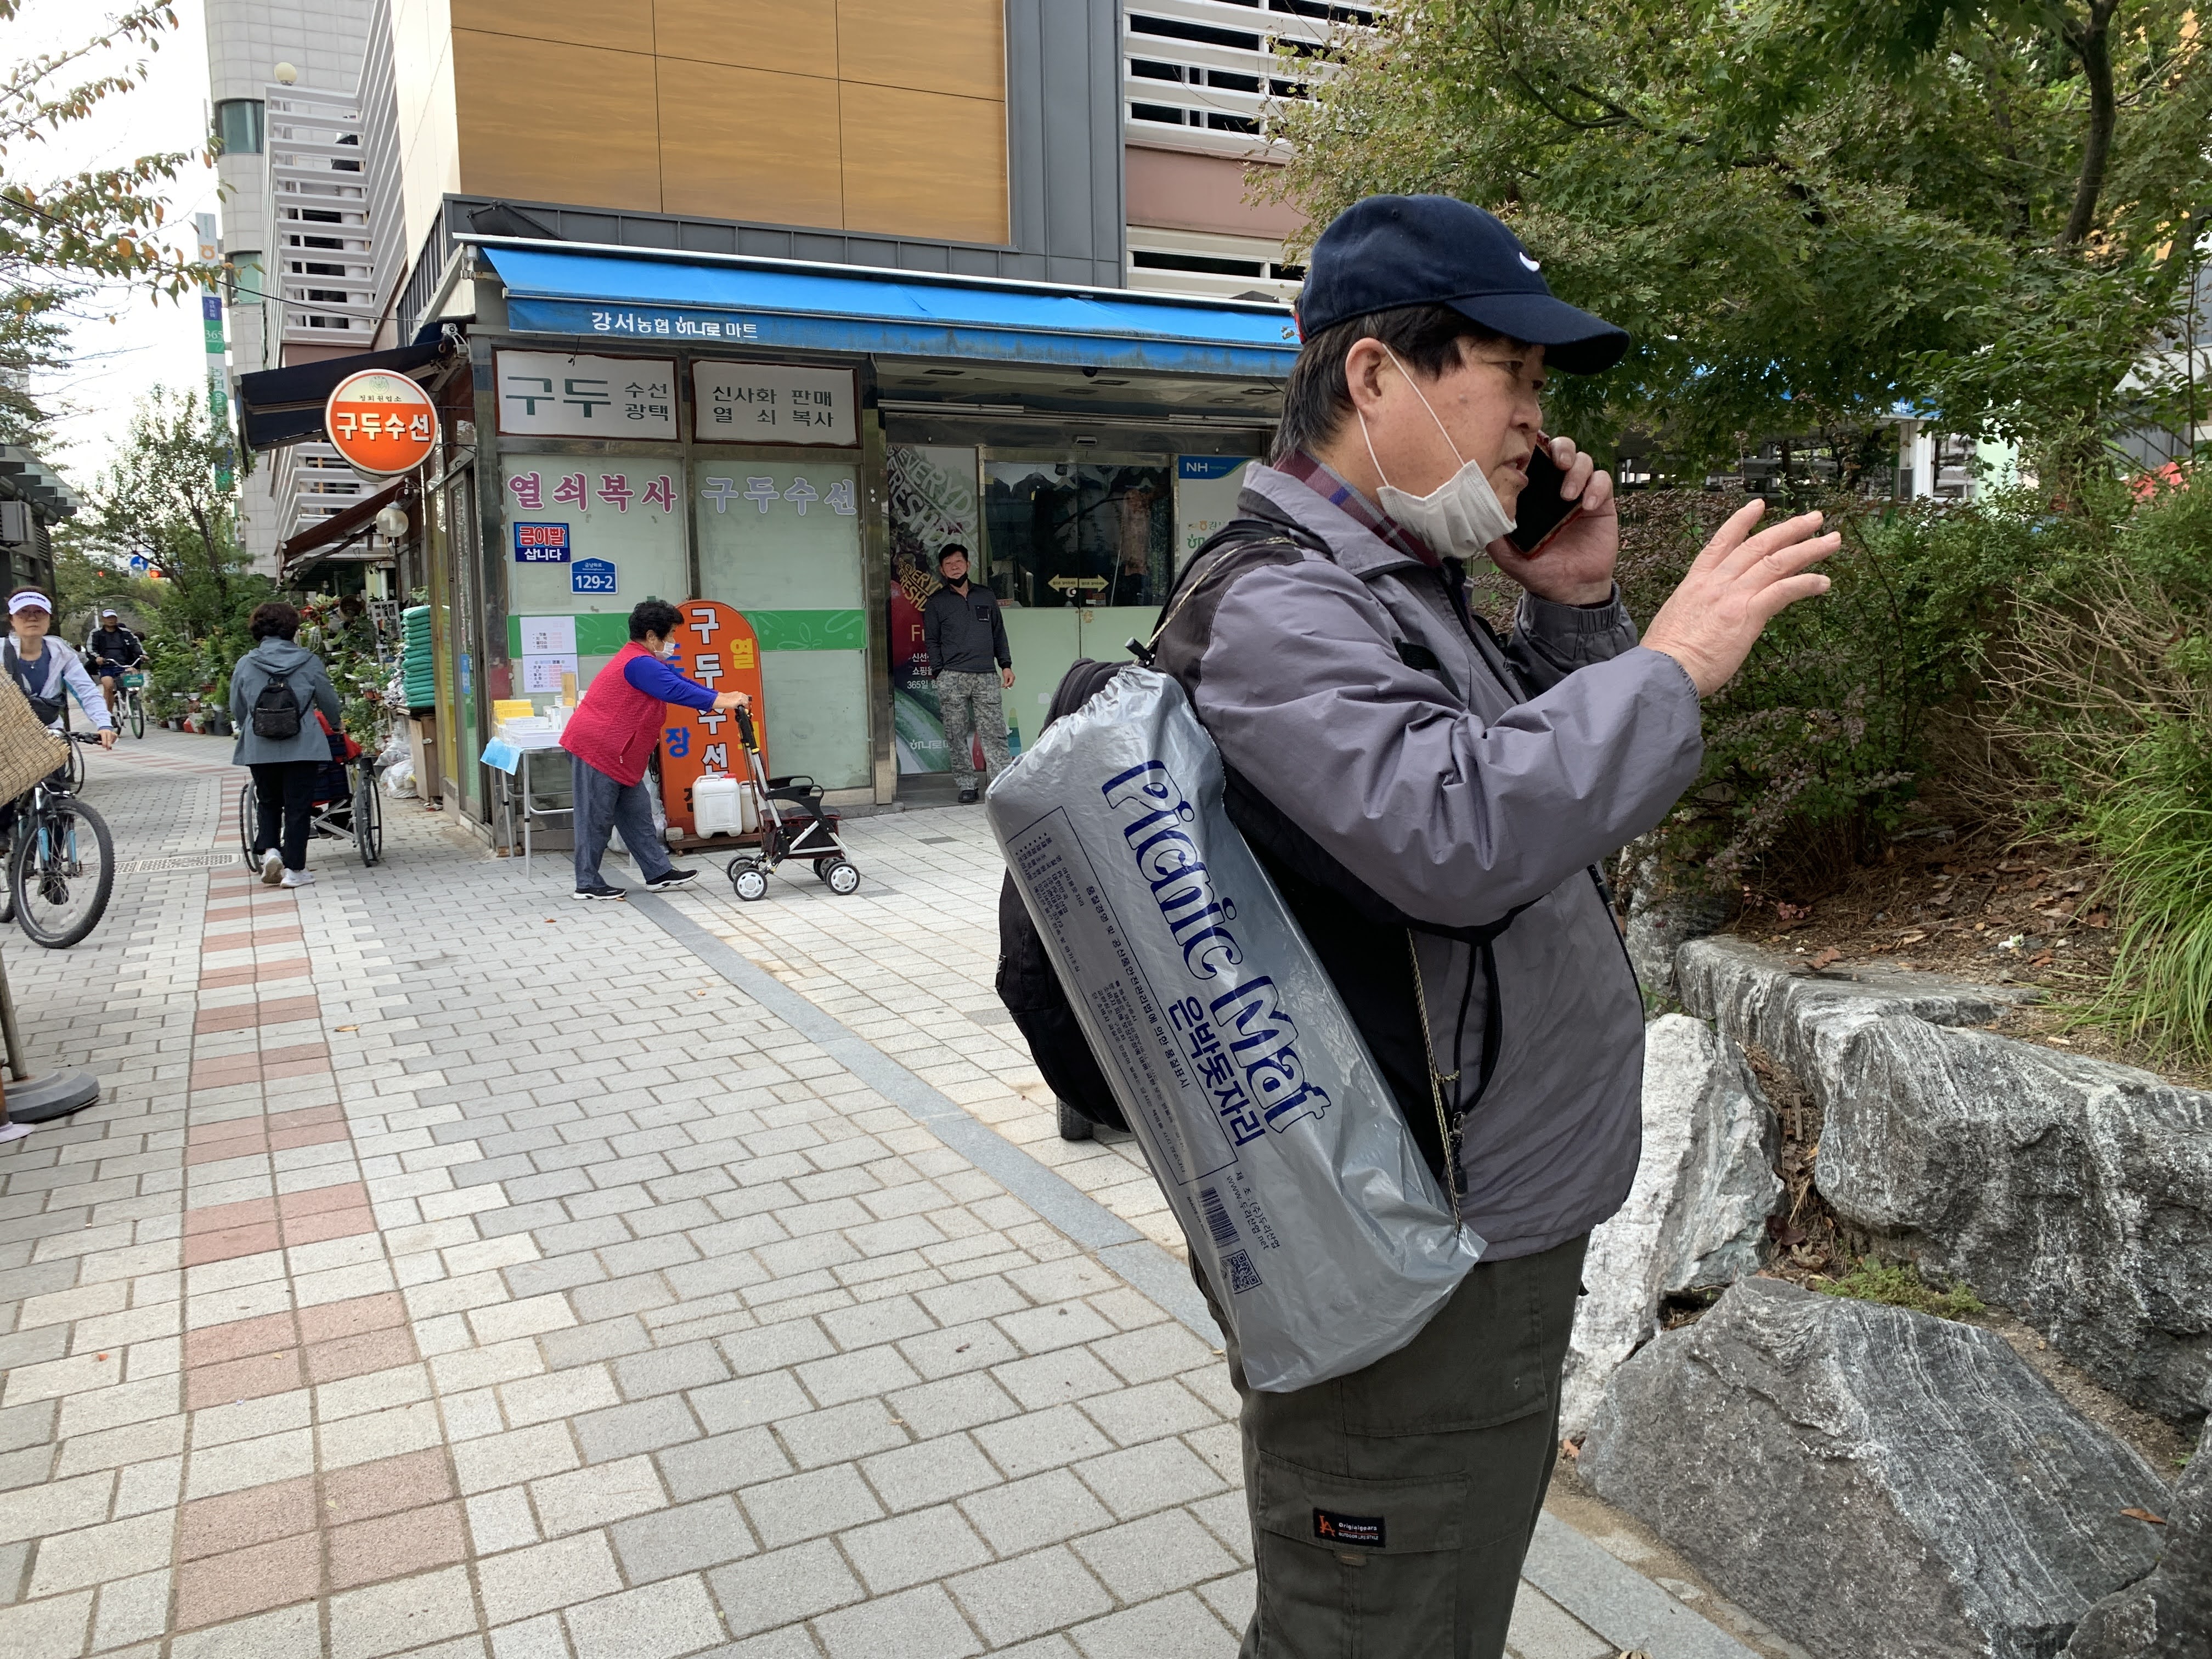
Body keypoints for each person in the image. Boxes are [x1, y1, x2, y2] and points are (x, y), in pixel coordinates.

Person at [1145, 195, 1836, 1659]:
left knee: (1431, 1611)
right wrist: (1671, 663)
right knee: (1377, 1629)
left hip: (1475, 1235)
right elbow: (1457, 833)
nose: (1536, 417)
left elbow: (1537, 811)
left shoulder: (1397, 586)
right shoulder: (1279, 609)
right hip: (1410, 1273)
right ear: (1375, 378)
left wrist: (1575, 612)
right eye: (1508, 372)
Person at [560, 598, 748, 901]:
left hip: (622, 755)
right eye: (670, 634)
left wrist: (723, 696)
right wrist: (722, 702)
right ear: (651, 636)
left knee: (637, 815)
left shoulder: (645, 661)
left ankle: (658, 873)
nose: (673, 641)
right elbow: (676, 691)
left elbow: (679, 681)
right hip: (598, 750)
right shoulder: (638, 663)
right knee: (595, 818)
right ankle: (587, 883)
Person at [229, 601, 345, 889]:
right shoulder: (309, 661)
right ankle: (295, 871)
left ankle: (270, 851)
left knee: (268, 800)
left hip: (260, 745)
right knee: (298, 806)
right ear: (292, 628)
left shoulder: (245, 663)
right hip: (303, 744)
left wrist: (250, 727)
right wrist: (335, 724)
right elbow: (328, 699)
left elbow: (237, 706)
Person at [921, 544, 1014, 803]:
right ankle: (966, 785)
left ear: (968, 565)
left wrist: (1005, 664)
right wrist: (939, 672)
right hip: (952, 677)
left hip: (986, 675)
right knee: (956, 733)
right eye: (948, 564)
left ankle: (999, 785)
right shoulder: (936, 602)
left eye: (958, 562)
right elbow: (932, 641)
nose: (954, 567)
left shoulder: (986, 596)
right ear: (942, 570)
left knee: (994, 732)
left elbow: (998, 632)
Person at [4, 590, 114, 753]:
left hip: (49, 737)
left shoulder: (62, 653)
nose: (32, 618)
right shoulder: (2, 651)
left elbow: (86, 690)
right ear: (12, 620)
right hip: (6, 738)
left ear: (49, 618)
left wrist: (104, 725)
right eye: (23, 612)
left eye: (39, 612)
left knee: (57, 767)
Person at [84, 607, 146, 719]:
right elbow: (90, 649)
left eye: (113, 617)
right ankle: (108, 716)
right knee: (108, 686)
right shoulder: (96, 633)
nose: (111, 620)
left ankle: (133, 702)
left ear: (116, 619)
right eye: (108, 618)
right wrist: (97, 658)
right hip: (106, 666)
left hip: (125, 665)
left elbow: (136, 644)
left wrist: (143, 655)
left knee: (134, 678)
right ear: (103, 619)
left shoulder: (125, 633)